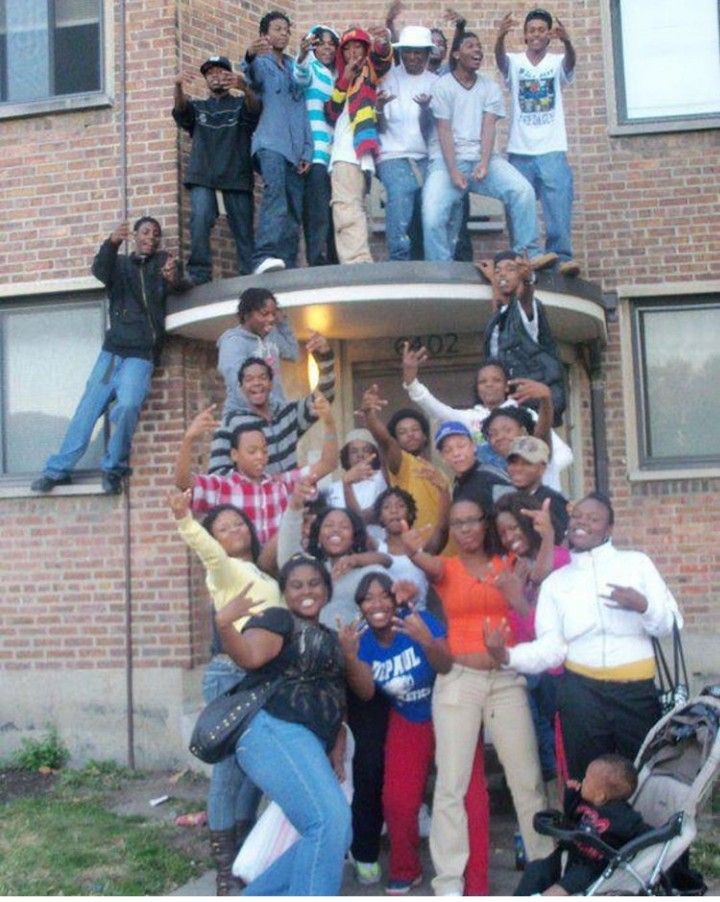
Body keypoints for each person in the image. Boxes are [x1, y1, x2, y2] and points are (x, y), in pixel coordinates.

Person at [400, 496, 553, 894]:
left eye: (472, 521)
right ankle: (449, 881)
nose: (466, 529)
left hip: (505, 679)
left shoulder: (509, 565)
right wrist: (410, 540)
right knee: (451, 782)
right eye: (457, 523)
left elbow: (527, 615)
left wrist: (517, 580)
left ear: (485, 524)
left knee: (527, 779)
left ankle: (543, 871)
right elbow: (418, 556)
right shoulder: (445, 568)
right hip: (459, 679)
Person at [486, 492, 683, 781]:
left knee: (642, 776)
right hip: (581, 694)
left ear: (609, 528)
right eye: (577, 516)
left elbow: (670, 625)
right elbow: (551, 650)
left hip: (636, 692)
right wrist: (506, 656)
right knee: (587, 780)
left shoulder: (636, 564)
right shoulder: (556, 582)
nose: (583, 523)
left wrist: (644, 606)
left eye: (594, 518)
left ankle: (639, 827)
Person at [215, 554, 352, 895]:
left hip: (308, 741)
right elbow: (249, 656)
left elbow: (336, 694)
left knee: (338, 832)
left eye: (314, 583)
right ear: (285, 593)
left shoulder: (331, 637)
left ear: (327, 588)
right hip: (274, 729)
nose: (306, 590)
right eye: (296, 585)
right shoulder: (279, 620)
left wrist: (336, 746)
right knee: (327, 823)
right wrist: (224, 625)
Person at [278, 491, 393, 886]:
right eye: (329, 525)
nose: (336, 531)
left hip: (359, 671)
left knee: (368, 765)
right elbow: (285, 550)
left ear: (356, 532)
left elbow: (388, 578)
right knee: (317, 765)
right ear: (318, 533)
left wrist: (367, 558)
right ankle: (311, 848)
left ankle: (364, 848)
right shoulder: (307, 571)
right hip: (314, 678)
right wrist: (294, 506)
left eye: (344, 524)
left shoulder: (366, 571)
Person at [168, 488, 279, 894]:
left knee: (253, 771)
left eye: (237, 522)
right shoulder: (224, 568)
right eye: (223, 527)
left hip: (261, 677)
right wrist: (186, 522)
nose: (234, 529)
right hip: (232, 675)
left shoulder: (264, 572)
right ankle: (224, 874)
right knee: (230, 774)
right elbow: (208, 553)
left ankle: (244, 860)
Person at [31, 219, 181, 496]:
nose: (151, 238)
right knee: (88, 409)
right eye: (146, 232)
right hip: (112, 353)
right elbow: (99, 270)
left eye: (156, 235)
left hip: (141, 355)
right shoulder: (120, 265)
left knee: (127, 406)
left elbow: (181, 284)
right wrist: (112, 242)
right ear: (135, 236)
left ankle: (113, 468)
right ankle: (56, 471)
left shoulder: (163, 263)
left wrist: (175, 277)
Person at [339, 572, 456, 894]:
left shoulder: (417, 620)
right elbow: (364, 693)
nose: (376, 603)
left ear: (394, 600)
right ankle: (407, 868)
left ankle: (463, 869)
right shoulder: (361, 640)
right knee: (398, 798)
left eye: (383, 596)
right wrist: (349, 655)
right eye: (367, 598)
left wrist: (426, 640)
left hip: (449, 711)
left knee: (458, 793)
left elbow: (447, 664)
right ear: (360, 606)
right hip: (408, 719)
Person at [422, 25, 556, 267]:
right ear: (456, 55)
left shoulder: (489, 87)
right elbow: (443, 130)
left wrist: (484, 164)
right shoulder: (442, 86)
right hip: (447, 162)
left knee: (522, 191)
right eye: (470, 46)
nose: (478, 51)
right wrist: (453, 172)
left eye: (480, 47)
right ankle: (439, 268)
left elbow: (488, 127)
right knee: (432, 213)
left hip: (484, 160)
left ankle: (528, 254)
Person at [401, 341, 573, 491]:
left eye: (496, 380)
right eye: (483, 382)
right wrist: (411, 383)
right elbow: (435, 409)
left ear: (507, 386)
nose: (489, 385)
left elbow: (564, 453)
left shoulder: (525, 414)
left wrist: (536, 472)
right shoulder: (468, 418)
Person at [176, 394, 338, 545]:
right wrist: (189, 439)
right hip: (241, 571)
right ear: (234, 454)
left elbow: (327, 464)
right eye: (252, 451)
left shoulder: (280, 484)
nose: (260, 456)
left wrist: (329, 424)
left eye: (264, 451)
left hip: (277, 569)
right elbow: (183, 483)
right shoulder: (222, 488)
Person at [492, 492, 570, 790]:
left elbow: (547, 635)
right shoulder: (511, 567)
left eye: (514, 527)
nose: (509, 536)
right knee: (534, 756)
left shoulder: (562, 561)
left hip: (557, 677)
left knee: (558, 760)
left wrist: (518, 599)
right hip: (526, 674)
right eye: (503, 532)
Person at [495, 9, 580, 277]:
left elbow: (569, 65)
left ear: (549, 35)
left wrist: (568, 42)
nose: (536, 34)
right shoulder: (516, 61)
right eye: (531, 30)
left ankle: (562, 258)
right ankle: (525, 258)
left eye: (541, 30)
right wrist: (499, 38)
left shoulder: (556, 62)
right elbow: (501, 63)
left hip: (552, 148)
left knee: (558, 204)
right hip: (520, 151)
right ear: (524, 35)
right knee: (520, 207)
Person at [172, 56, 261, 284]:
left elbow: (255, 109)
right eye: (210, 73)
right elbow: (181, 111)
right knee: (199, 220)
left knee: (244, 231)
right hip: (203, 176)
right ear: (205, 79)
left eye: (221, 71)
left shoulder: (241, 103)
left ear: (230, 75)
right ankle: (200, 275)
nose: (216, 76)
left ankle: (250, 276)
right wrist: (178, 86)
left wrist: (244, 87)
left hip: (237, 176)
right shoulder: (198, 107)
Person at [515, 755, 649, 896]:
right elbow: (572, 815)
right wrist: (571, 793)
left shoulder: (623, 817)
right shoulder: (586, 802)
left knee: (565, 886)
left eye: (586, 779)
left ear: (600, 796)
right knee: (537, 868)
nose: (582, 781)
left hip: (593, 867)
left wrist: (662, 834)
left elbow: (639, 832)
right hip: (571, 854)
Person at [244, 11, 313, 274]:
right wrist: (250, 54)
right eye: (277, 29)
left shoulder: (295, 66)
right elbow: (251, 75)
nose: (283, 33)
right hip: (270, 143)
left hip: (295, 152)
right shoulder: (261, 63)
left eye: (286, 29)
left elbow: (301, 109)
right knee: (275, 195)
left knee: (294, 205)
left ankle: (287, 261)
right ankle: (264, 255)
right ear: (265, 35)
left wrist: (307, 151)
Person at [209, 334, 335, 475]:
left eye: (262, 377)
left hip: (293, 494)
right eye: (249, 379)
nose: (256, 383)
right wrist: (258, 486)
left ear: (271, 383)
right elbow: (217, 474)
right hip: (258, 495)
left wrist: (324, 357)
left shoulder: (288, 414)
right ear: (241, 387)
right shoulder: (230, 424)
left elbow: (323, 398)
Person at [325, 27, 393, 264]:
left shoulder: (368, 70)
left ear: (365, 49)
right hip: (350, 152)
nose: (352, 53)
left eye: (358, 47)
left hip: (351, 151)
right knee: (352, 206)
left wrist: (383, 41)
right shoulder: (342, 79)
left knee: (346, 206)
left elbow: (382, 58)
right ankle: (358, 257)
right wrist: (344, 80)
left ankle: (356, 260)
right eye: (347, 49)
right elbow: (331, 113)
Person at [481, 249, 567, 424]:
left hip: (532, 408)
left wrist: (528, 280)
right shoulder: (501, 315)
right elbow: (501, 309)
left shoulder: (528, 307)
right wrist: (494, 281)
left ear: (521, 274)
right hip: (509, 410)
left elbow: (525, 299)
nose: (502, 274)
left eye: (510, 269)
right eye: (498, 270)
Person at [376, 26, 437, 261]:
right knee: (400, 196)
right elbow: (380, 127)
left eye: (419, 52)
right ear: (401, 52)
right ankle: (399, 260)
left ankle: (435, 262)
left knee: (434, 205)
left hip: (427, 157)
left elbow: (434, 131)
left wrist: (425, 111)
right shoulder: (387, 78)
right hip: (393, 154)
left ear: (427, 54)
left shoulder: (437, 82)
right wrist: (379, 108)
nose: (413, 57)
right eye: (408, 52)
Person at [359, 384, 450, 541]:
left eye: (415, 430)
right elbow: (385, 440)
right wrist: (369, 414)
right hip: (418, 553)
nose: (410, 435)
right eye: (402, 432)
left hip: (448, 555)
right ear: (397, 441)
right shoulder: (401, 463)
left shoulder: (439, 471)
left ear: (425, 436)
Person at [293, 25, 340, 266]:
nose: (328, 48)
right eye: (322, 43)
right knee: (317, 210)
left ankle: (335, 257)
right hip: (317, 153)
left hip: (336, 154)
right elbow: (299, 75)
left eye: (332, 44)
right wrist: (302, 55)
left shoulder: (336, 75)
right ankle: (316, 258)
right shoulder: (311, 67)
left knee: (334, 210)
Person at [216, 287, 299, 416]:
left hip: (274, 414)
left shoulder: (272, 334)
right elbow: (238, 386)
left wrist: (282, 323)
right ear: (247, 315)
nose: (271, 319)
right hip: (244, 417)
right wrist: (272, 409)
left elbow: (293, 354)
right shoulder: (233, 342)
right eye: (264, 314)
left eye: (273, 313)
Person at [435, 420, 515, 514]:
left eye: (461, 446)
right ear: (443, 457)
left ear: (474, 446)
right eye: (448, 450)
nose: (456, 453)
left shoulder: (492, 478)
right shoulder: (458, 484)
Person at [506, 436, 569, 542]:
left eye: (527, 463)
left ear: (542, 468)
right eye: (513, 462)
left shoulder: (553, 501)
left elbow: (562, 545)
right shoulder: (508, 500)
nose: (518, 468)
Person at [322, 428, 388, 520]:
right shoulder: (333, 488)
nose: (360, 455)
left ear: (374, 454)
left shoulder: (383, 478)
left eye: (365, 450)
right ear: (347, 456)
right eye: (354, 451)